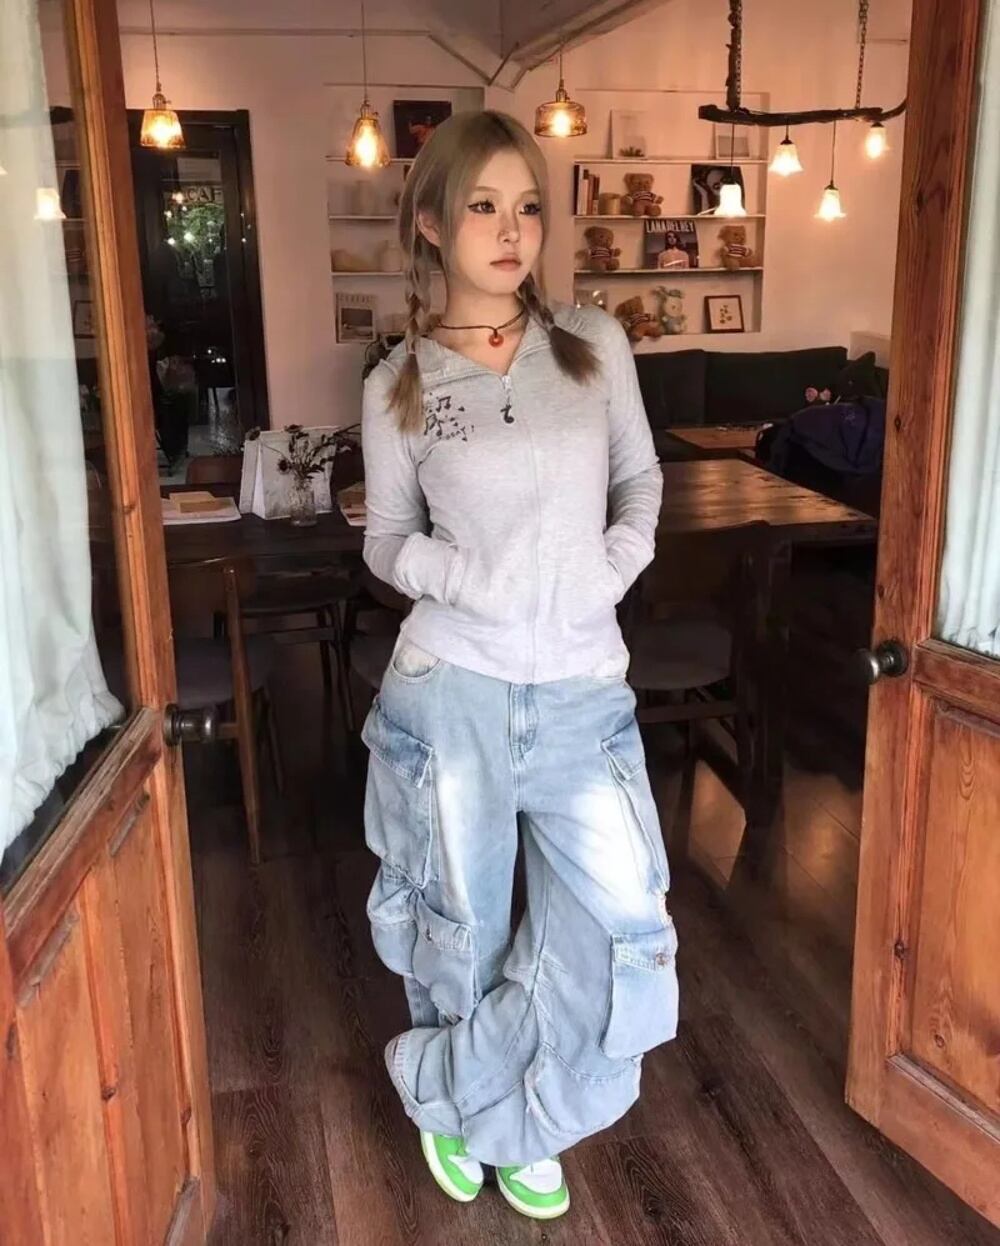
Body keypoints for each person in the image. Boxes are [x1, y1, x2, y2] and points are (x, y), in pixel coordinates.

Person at [360, 109, 679, 1223]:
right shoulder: (399, 382)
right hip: (453, 689)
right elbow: (384, 540)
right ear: (432, 225)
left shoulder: (591, 344)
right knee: (463, 927)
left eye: (529, 206)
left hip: (585, 688)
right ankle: (503, 1114)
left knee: (623, 926)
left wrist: (613, 565)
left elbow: (640, 479)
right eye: (484, 207)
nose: (511, 232)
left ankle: (464, 1096)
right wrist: (462, 576)